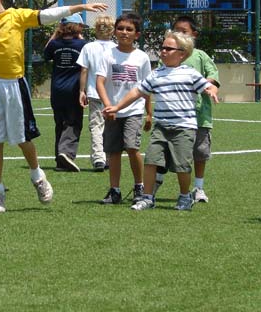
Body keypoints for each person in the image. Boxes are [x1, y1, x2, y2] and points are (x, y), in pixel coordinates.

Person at [0, 0, 108, 213]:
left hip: (15, 85)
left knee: (23, 139)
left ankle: (38, 176)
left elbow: (46, 15)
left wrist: (78, 7)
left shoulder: (16, 16)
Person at [104, 30, 219, 212]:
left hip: (183, 128)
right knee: (151, 161)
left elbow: (208, 86)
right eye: (162, 48)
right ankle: (148, 198)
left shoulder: (190, 73)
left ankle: (184, 196)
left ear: (182, 54)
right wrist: (117, 107)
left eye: (168, 48)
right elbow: (137, 91)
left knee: (182, 166)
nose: (163, 51)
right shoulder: (156, 74)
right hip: (161, 127)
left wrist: (211, 90)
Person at [161, 16, 221, 204]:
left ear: (194, 35)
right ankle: (155, 184)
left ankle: (199, 188)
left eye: (184, 31)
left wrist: (207, 86)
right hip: (174, 116)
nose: (179, 34)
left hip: (199, 116)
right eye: (176, 30)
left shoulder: (200, 55)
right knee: (166, 151)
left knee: (199, 153)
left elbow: (213, 76)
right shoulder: (168, 55)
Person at [96, 13, 152, 205]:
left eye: (129, 29)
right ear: (114, 31)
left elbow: (146, 87)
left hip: (134, 111)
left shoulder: (142, 57)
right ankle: (115, 190)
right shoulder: (107, 55)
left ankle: (139, 186)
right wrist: (108, 106)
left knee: (132, 147)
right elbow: (100, 82)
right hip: (112, 112)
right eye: (120, 28)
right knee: (113, 151)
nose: (124, 32)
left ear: (137, 34)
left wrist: (149, 113)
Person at [43, 13, 87, 172]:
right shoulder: (83, 45)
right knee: (73, 122)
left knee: (59, 123)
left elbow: (45, 53)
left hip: (57, 90)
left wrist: (55, 35)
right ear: (78, 27)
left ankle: (60, 161)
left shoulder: (55, 44)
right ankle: (66, 153)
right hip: (73, 90)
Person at [76, 14, 116, 171]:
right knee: (111, 126)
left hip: (94, 92)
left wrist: (82, 90)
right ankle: (109, 157)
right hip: (112, 94)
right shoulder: (116, 48)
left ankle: (99, 157)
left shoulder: (88, 47)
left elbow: (84, 70)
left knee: (96, 126)